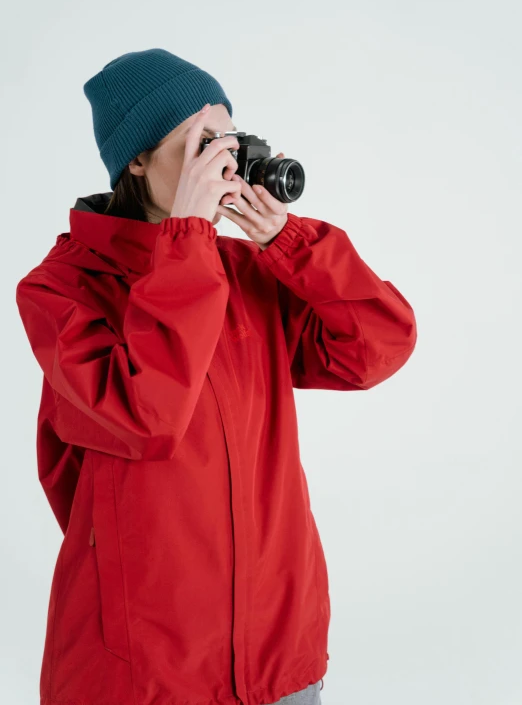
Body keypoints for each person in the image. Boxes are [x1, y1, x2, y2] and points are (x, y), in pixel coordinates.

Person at [15, 48, 417, 705]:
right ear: (137, 158)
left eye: (228, 140)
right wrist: (187, 240)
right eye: (200, 143)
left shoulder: (246, 270)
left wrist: (291, 242)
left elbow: (380, 343)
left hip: (277, 655)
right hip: (143, 674)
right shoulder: (61, 290)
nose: (221, 160)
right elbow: (146, 415)